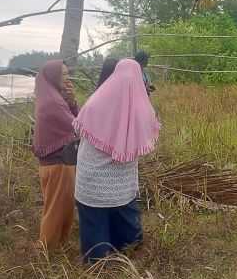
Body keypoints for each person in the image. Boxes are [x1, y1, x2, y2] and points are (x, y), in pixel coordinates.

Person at [74, 59, 160, 262]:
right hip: (121, 184)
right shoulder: (144, 109)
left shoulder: (95, 102)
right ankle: (119, 262)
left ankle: (97, 266)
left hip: (93, 182)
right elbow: (149, 136)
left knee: (96, 238)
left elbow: (78, 131)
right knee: (128, 241)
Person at [32, 60, 79, 251]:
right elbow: (77, 125)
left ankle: (57, 246)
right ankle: (46, 250)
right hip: (56, 163)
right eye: (64, 74)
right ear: (53, 77)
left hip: (59, 161)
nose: (68, 78)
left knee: (64, 206)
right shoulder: (53, 102)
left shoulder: (55, 98)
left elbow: (76, 121)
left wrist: (72, 102)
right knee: (55, 209)